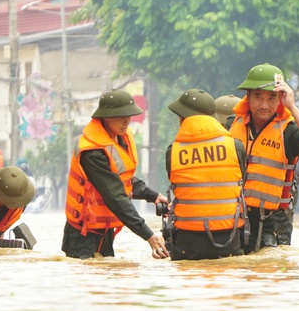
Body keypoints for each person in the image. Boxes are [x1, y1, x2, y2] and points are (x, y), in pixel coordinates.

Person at [62, 89, 170, 259]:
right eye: (121, 116)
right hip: (83, 235)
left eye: (129, 116)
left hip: (104, 231)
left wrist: (153, 196)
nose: (126, 121)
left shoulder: (121, 138)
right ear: (106, 117)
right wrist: (148, 235)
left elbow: (124, 180)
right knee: (91, 280)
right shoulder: (93, 152)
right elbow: (115, 196)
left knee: (109, 276)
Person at [229, 63, 299, 253]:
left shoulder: (288, 130)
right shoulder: (232, 125)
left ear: (280, 99)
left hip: (270, 222)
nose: (264, 105)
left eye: (271, 98)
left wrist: (292, 106)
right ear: (247, 96)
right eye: (258, 97)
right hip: (233, 217)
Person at [165, 89, 247, 260]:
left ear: (183, 118)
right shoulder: (235, 146)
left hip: (188, 243)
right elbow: (240, 184)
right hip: (228, 240)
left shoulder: (173, 152)